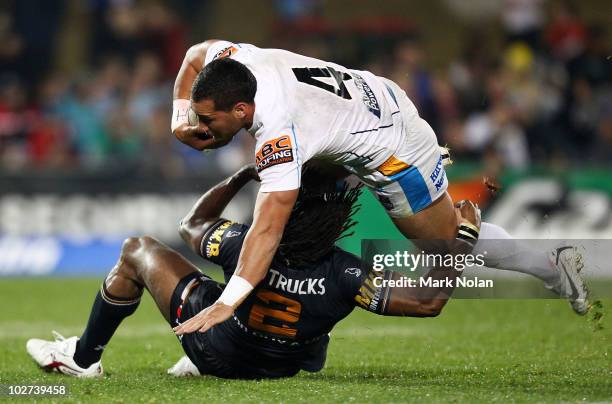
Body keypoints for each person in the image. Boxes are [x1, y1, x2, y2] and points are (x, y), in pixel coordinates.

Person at [169, 40, 590, 332]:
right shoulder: (235, 61)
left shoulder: (279, 133)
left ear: (242, 109)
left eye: (206, 120)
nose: (197, 127)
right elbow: (193, 57)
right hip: (366, 100)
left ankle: (551, 264)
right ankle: (266, 333)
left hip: (392, 148)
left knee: (443, 244)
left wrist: (229, 301)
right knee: (297, 210)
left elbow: (266, 230)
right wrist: (178, 113)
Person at [26, 164, 480, 378]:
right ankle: (307, 345)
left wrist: (244, 174)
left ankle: (82, 360)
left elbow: (192, 225)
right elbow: (428, 302)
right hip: (282, 365)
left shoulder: (250, 243)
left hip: (217, 349)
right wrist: (462, 238)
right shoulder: (347, 271)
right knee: (320, 308)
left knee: (135, 250)